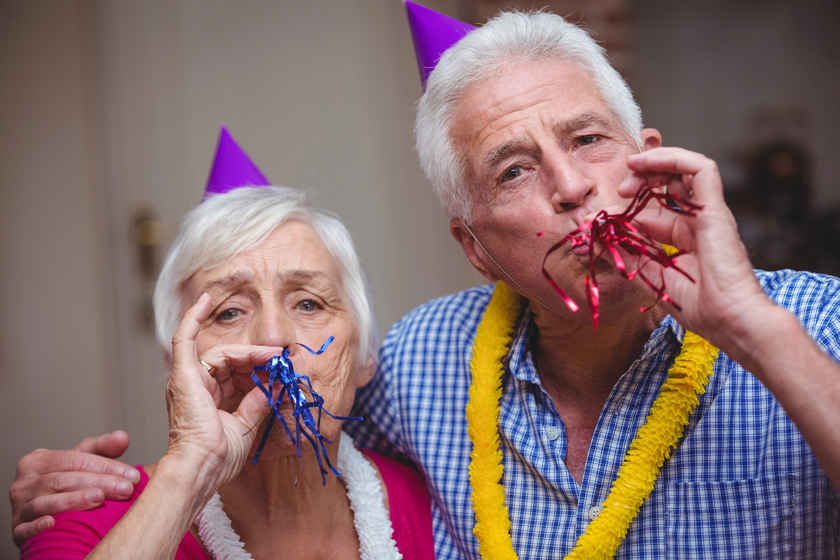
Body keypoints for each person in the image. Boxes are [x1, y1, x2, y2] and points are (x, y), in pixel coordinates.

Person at [11, 6, 840, 559]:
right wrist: (125, 481)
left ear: (649, 158)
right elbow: (276, 415)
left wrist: (752, 327)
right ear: (474, 247)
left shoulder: (815, 323)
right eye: (513, 169)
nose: (571, 186)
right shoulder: (419, 364)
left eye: (589, 139)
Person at [16, 128, 434, 559]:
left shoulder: (441, 508)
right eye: (229, 312)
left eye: (308, 304)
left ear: (366, 355)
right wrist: (189, 470)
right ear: (176, 364)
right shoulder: (82, 520)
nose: (273, 339)